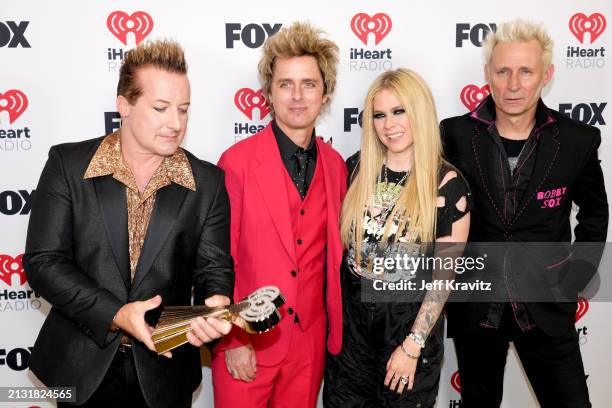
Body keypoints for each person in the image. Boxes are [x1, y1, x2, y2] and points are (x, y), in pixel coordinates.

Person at [23, 39, 235, 407]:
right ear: (124, 105)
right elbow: (44, 262)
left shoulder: (207, 182)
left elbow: (213, 269)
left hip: (165, 372)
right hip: (81, 366)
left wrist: (215, 305)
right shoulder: (68, 165)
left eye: (184, 109)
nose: (176, 123)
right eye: (160, 108)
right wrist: (115, 313)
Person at [441, 20, 608, 407]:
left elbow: (595, 213)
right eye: (503, 71)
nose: (513, 84)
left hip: (547, 306)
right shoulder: (454, 134)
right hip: (477, 304)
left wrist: (576, 277)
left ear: (546, 75)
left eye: (526, 71)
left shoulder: (578, 140)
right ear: (488, 75)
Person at [211, 22, 347, 408]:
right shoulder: (236, 163)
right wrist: (235, 339)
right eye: (286, 84)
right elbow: (219, 259)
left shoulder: (337, 167)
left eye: (309, 84)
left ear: (326, 92)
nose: (298, 96)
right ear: (269, 93)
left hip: (309, 346)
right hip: (247, 345)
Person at [324, 68, 471, 407]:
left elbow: (443, 278)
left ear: (419, 111)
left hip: (406, 335)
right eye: (379, 115)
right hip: (351, 340)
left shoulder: (447, 185)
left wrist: (412, 345)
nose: (389, 125)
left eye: (399, 111)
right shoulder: (355, 170)